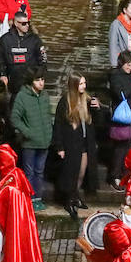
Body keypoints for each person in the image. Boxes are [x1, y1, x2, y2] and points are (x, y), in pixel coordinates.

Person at [52, 72, 99, 218]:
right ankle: (69, 200)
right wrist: (59, 146)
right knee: (71, 173)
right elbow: (58, 125)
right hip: (71, 143)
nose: (84, 86)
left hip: (85, 143)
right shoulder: (65, 102)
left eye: (84, 83)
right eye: (81, 84)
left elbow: (94, 119)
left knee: (81, 172)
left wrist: (97, 108)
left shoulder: (86, 99)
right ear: (74, 85)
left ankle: (75, 196)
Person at [9, 69, 52, 209]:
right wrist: (28, 132)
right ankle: (29, 199)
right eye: (37, 80)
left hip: (44, 141)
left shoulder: (45, 95)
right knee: (29, 172)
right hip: (29, 143)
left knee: (40, 172)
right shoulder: (22, 96)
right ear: (31, 82)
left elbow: (47, 115)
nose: (41, 83)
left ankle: (38, 198)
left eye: (43, 80)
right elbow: (15, 118)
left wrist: (49, 133)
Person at [108, 51, 131, 189]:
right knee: (120, 149)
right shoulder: (115, 76)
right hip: (122, 118)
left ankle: (125, 175)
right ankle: (115, 176)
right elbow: (121, 94)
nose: (130, 68)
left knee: (130, 149)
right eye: (128, 65)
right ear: (122, 63)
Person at [0, 9, 47, 98]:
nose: (26, 25)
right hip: (14, 82)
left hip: (31, 82)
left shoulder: (35, 39)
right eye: (23, 23)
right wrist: (2, 74)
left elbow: (43, 59)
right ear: (16, 23)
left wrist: (39, 77)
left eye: (28, 23)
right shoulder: (5, 40)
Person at [108, 0, 131, 68]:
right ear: (125, 10)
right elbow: (113, 45)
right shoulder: (116, 24)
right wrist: (114, 65)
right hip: (121, 60)